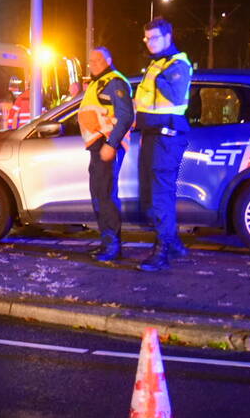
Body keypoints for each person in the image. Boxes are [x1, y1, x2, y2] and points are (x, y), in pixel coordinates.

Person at [135, 17, 193, 272]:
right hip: (153, 136)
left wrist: (159, 77)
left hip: (166, 137)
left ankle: (163, 251)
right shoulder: (157, 63)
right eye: (146, 38)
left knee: (161, 195)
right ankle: (175, 244)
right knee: (152, 193)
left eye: (154, 38)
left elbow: (175, 96)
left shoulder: (177, 64)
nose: (149, 42)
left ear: (168, 37)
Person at [77, 47, 133, 262]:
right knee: (99, 195)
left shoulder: (114, 82)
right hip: (98, 146)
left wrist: (111, 144)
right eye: (90, 60)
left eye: (97, 60)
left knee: (106, 196)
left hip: (108, 145)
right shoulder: (98, 82)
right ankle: (107, 243)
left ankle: (113, 247)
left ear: (108, 60)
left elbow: (126, 116)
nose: (92, 64)